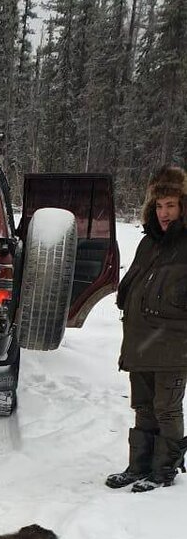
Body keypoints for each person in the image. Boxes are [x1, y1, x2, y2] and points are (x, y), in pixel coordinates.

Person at [106, 164, 187, 493]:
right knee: (143, 406)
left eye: (171, 205)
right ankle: (139, 464)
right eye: (159, 205)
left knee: (166, 408)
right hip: (140, 341)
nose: (164, 213)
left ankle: (164, 469)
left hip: (174, 346)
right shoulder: (149, 243)